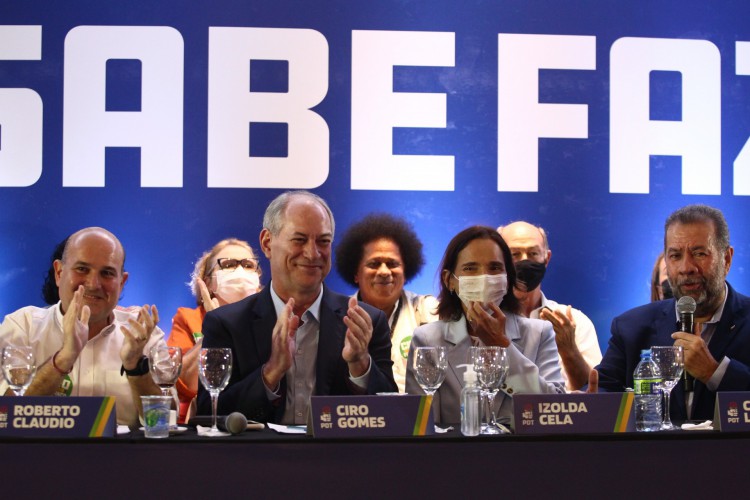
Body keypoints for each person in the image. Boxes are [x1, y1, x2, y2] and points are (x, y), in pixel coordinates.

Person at [196, 191, 397, 424]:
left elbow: (392, 415)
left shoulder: (366, 321)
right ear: (267, 243)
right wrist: (270, 372)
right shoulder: (227, 324)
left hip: (338, 458)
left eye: (323, 241)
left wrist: (360, 365)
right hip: (256, 458)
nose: (313, 253)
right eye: (299, 240)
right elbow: (208, 414)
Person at [597, 204, 750, 422]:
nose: (686, 267)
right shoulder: (631, 327)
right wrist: (584, 401)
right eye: (675, 255)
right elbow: (602, 389)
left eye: (699, 253)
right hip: (654, 455)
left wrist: (715, 373)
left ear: (726, 259)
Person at [0, 227, 165, 425]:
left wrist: (136, 367)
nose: (94, 283)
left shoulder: (143, 334)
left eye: (107, 273)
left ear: (122, 282)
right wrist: (63, 359)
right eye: (82, 269)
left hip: (122, 455)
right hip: (40, 454)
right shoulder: (23, 326)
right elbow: (4, 416)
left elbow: (164, 423)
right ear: (59, 272)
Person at [405, 226, 564, 425]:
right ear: (449, 280)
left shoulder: (539, 333)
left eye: (495, 268)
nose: (484, 278)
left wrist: (502, 345)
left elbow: (553, 409)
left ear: (507, 278)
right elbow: (423, 424)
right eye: (470, 268)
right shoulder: (427, 339)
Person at [335, 213, 438, 393]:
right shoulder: (338, 316)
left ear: (406, 272)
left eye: (392, 264)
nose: (384, 272)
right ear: (356, 274)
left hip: (419, 417)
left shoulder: (427, 311)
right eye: (374, 264)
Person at [498, 221, 601, 391]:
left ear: (547, 258)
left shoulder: (574, 321)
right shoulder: (488, 322)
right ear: (499, 259)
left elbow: (591, 392)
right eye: (514, 254)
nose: (525, 261)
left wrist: (569, 350)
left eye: (533, 253)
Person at [168, 238, 262, 423]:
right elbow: (186, 385)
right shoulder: (188, 318)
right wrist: (215, 327)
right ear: (208, 282)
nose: (240, 271)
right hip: (206, 424)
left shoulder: (270, 321)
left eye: (248, 265)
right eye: (228, 265)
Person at [41, 237, 69, 305]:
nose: (93, 284)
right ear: (59, 272)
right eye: (82, 269)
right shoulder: (26, 315)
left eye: (100, 273)